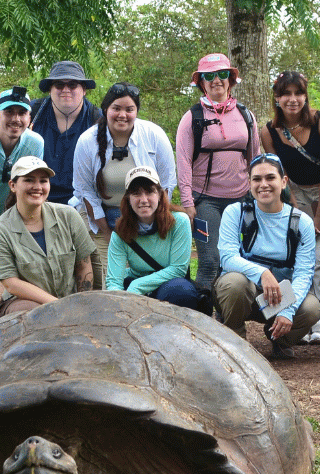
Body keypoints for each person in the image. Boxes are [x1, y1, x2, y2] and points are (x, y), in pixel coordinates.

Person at [257, 70, 320, 345]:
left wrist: (319, 215)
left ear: (306, 96)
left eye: (298, 93)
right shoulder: (268, 130)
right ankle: (302, 319)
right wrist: (295, 208)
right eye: (286, 94)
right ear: (277, 97)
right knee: (300, 258)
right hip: (293, 192)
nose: (292, 99)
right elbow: (277, 171)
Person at [72, 82, 177, 291]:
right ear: (105, 110)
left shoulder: (154, 135)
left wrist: (153, 223)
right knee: (110, 279)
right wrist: (109, 233)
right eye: (116, 109)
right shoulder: (87, 141)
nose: (123, 115)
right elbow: (85, 192)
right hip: (100, 215)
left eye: (129, 109)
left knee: (147, 271)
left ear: (136, 111)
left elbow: (166, 184)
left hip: (146, 213)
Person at [214, 154, 320, 360]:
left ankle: (279, 339)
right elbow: (227, 257)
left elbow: (304, 273)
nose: (263, 185)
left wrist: (288, 311)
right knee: (235, 282)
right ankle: (236, 342)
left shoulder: (302, 222)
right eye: (256, 179)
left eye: (270, 178)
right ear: (249, 183)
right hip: (241, 292)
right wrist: (262, 272)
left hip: (278, 297)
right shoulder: (235, 212)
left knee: (311, 308)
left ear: (284, 181)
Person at [175, 53, 263, 290]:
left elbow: (254, 158)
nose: (217, 80)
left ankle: (229, 320)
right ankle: (201, 317)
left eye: (222, 74)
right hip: (205, 201)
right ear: (201, 82)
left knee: (240, 260)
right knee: (210, 261)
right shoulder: (192, 117)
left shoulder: (245, 115)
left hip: (242, 200)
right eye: (209, 76)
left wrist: (258, 197)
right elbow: (183, 162)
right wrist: (187, 202)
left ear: (231, 79)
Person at [0, 156, 95, 316]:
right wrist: (58, 305)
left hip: (69, 300)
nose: (37, 187)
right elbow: (11, 284)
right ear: (13, 185)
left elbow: (84, 265)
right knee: (36, 315)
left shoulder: (69, 216)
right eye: (29, 180)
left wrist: (80, 305)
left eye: (43, 181)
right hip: (23, 303)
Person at [106, 166, 201, 310]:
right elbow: (114, 282)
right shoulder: (119, 233)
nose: (143, 200)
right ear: (128, 199)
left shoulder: (180, 222)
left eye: (149, 192)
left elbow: (178, 269)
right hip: (135, 281)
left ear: (160, 195)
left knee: (180, 291)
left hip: (168, 284)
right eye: (136, 194)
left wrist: (136, 287)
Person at [0, 86, 45, 237]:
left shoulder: (35, 143)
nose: (16, 119)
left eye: (22, 113)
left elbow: (33, 183)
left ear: (29, 119)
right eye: (9, 112)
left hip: (9, 215)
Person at [29, 61, 101, 206]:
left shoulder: (98, 120)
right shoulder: (31, 113)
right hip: (36, 196)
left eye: (73, 84)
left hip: (82, 201)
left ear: (84, 90)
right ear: (50, 89)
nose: (66, 89)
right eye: (59, 85)